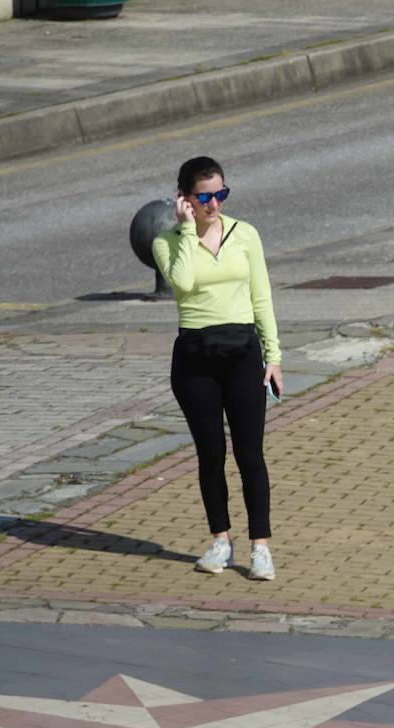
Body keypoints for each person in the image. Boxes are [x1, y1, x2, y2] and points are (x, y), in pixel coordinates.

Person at [152, 156, 280, 581]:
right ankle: (220, 541)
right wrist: (188, 230)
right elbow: (184, 283)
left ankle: (260, 546)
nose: (214, 205)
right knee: (211, 455)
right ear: (185, 200)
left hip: (243, 353)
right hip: (195, 359)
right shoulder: (168, 242)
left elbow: (261, 296)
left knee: (250, 455)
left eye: (220, 195)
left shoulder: (247, 235)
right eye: (204, 197)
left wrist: (274, 356)